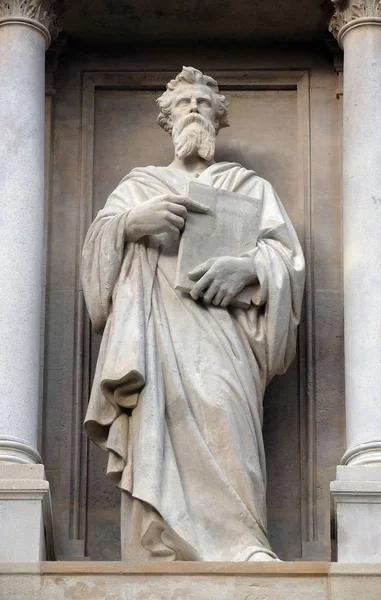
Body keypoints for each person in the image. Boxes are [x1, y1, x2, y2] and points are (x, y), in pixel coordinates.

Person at [82, 66, 305, 562]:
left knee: (226, 419)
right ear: (166, 119)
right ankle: (161, 545)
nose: (194, 111)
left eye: (204, 104)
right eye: (184, 104)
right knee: (162, 423)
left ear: (219, 119)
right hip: (153, 337)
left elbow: (287, 260)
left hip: (226, 338)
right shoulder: (138, 187)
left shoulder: (247, 186)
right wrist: (129, 225)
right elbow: (94, 267)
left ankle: (243, 544)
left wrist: (246, 268)